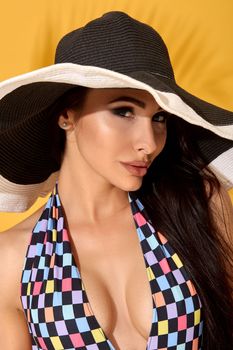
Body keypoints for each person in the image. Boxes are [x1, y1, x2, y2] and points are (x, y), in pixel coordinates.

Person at [0, 11, 232, 350]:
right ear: (67, 115)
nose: (148, 143)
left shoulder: (199, 210)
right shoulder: (11, 259)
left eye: (159, 118)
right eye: (123, 111)